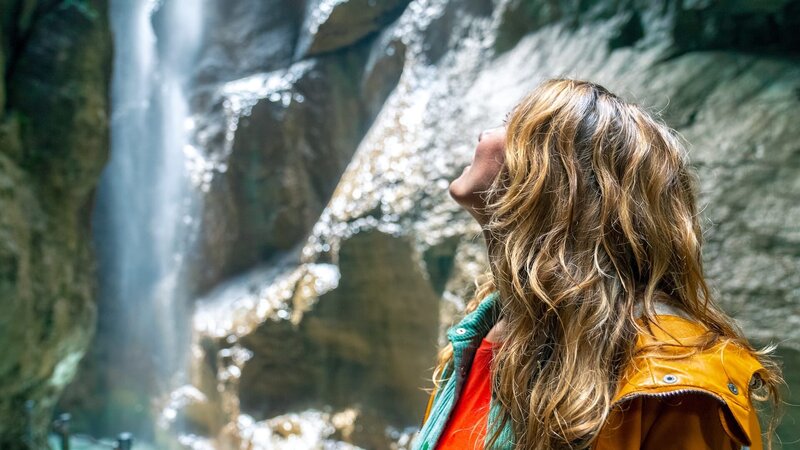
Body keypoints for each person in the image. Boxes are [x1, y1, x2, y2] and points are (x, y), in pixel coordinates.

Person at [412, 79, 783, 450]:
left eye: (511, 123)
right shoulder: (479, 335)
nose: (485, 132)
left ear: (563, 180)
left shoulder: (677, 386)